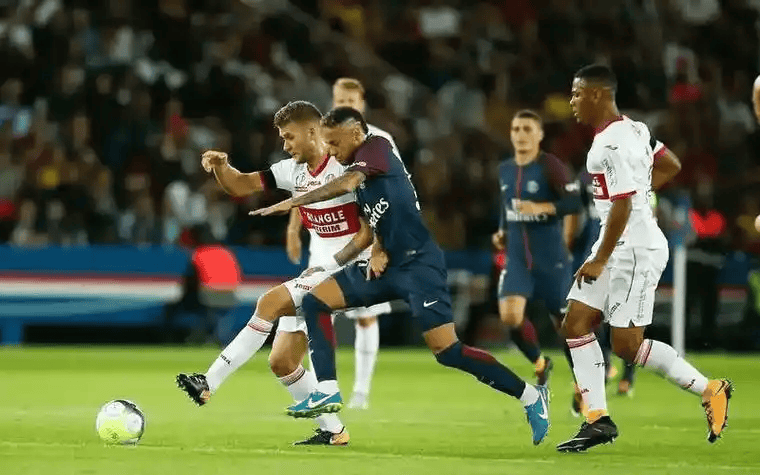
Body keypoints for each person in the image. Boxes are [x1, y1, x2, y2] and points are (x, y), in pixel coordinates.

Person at [252, 107, 551, 446]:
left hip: (420, 266)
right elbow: (372, 225)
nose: (330, 151)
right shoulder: (357, 169)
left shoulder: (376, 148)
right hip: (386, 268)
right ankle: (328, 390)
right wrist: (343, 260)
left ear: (355, 133)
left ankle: (531, 396)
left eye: (334, 143)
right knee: (316, 300)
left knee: (448, 351)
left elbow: (349, 182)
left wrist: (295, 202)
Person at [176, 101, 376, 446]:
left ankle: (208, 381)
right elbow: (241, 185)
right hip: (324, 270)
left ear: (312, 132)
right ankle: (334, 432)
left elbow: (375, 219)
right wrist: (222, 167)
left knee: (269, 303)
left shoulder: (345, 165)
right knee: (283, 361)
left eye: (289, 137)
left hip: (355, 268)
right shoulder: (291, 171)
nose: (285, 145)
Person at [557, 64, 731, 452]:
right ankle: (597, 420)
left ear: (597, 94)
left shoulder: (609, 146)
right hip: (617, 243)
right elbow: (671, 165)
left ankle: (710, 389)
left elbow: (621, 206)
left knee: (627, 346)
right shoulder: (635, 129)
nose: (572, 101)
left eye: (577, 93)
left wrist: (600, 256)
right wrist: (640, 192)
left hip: (632, 250)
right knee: (576, 322)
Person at [284, 77, 398, 410]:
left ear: (361, 103)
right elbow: (303, 182)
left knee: (366, 317)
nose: (345, 104)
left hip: (362, 238)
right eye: (339, 99)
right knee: (316, 310)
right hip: (323, 240)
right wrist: (293, 228)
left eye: (351, 100)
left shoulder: (379, 139)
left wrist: (382, 242)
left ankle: (361, 391)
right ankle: (320, 387)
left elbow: (392, 189)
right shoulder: (320, 136)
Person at [492, 109, 581, 387]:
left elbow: (573, 203)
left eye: (527, 129)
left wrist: (541, 207)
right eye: (516, 129)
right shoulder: (505, 169)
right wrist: (502, 231)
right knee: (510, 316)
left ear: (540, 135)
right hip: (518, 258)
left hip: (550, 257)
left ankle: (584, 384)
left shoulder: (550, 166)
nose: (521, 135)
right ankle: (541, 363)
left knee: (566, 326)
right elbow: (507, 207)